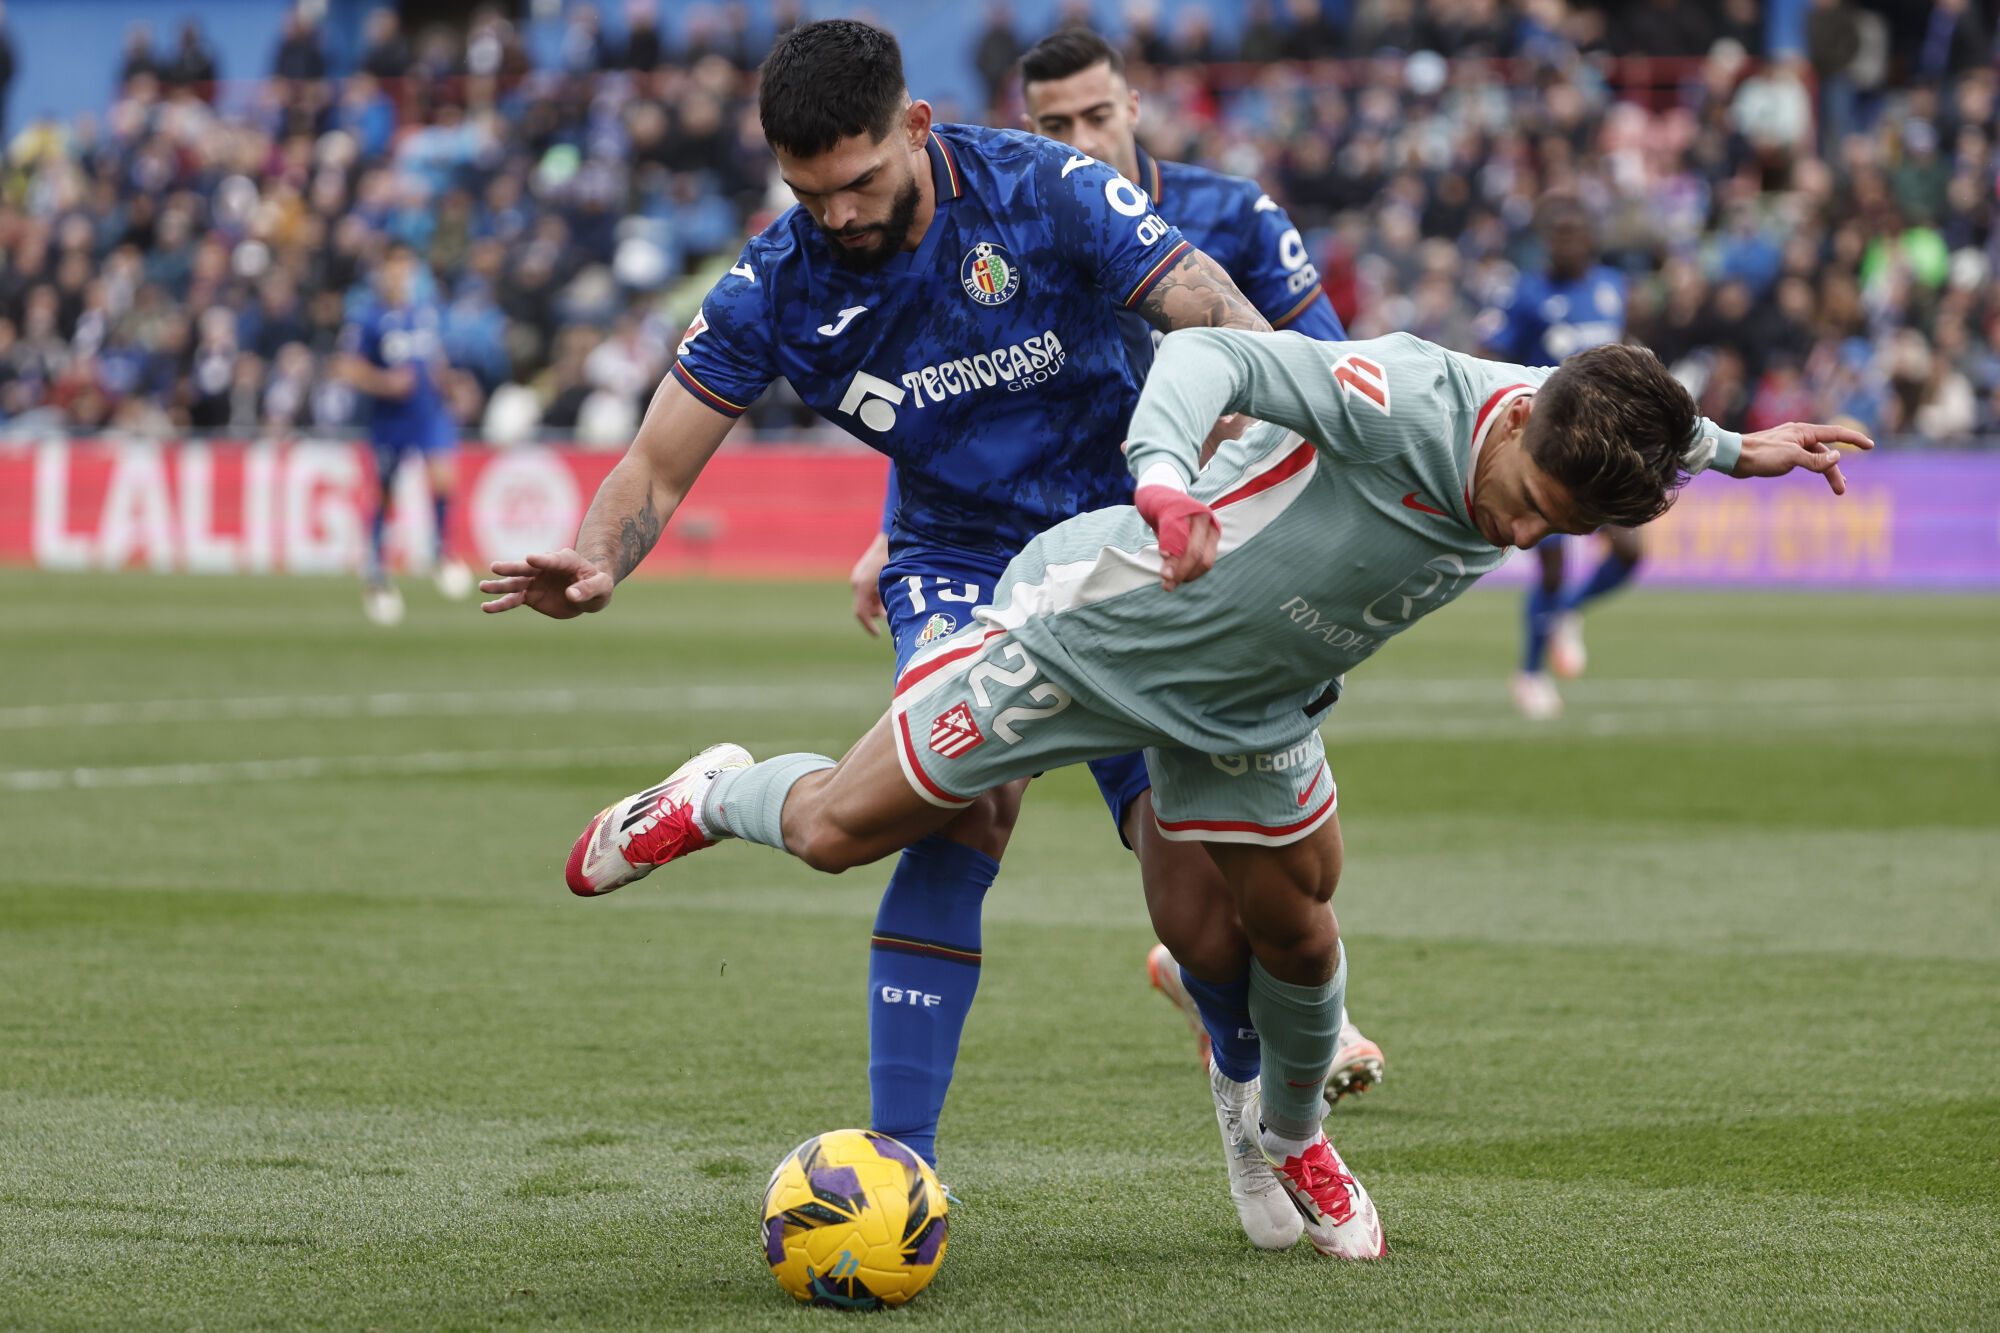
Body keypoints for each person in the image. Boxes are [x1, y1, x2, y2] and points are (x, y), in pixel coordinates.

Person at [488, 326, 1868, 1258]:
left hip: (1248, 708)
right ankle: (718, 789)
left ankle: (1294, 1137)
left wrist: (1753, 450)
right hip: (1091, 629)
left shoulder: (1588, 429)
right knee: (834, 831)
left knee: (1293, 935)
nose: (1519, 529)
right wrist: (1160, 484)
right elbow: (1207, 352)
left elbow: (1666, 436)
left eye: (1554, 528)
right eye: (1524, 497)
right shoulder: (1404, 393)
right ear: (1520, 424)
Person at [477, 16, 1316, 1252]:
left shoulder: (1041, 187)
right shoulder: (776, 284)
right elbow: (656, 463)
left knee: (1200, 905)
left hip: (1122, 544)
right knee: (955, 799)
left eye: (860, 181)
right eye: (808, 191)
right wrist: (598, 558)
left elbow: (1216, 309)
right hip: (961, 563)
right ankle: (895, 1174)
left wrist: (1266, 460)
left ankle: (1246, 1099)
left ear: (915, 128)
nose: (839, 213)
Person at [842, 23, 1382, 1124]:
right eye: (1052, 125)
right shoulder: (1011, 205)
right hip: (1015, 548)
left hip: (1178, 555)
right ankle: (903, 1136)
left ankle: (1245, 1016)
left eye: (1096, 116)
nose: (1078, 138)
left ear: (1133, 106)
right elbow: (953, 380)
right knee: (964, 798)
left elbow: (1324, 375)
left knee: (1218, 843)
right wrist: (896, 527)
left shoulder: (1227, 215)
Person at [1479, 193, 1632, 720]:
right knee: (1550, 564)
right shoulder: (1525, 294)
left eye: (1576, 233)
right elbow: (1492, 357)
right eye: (1558, 234)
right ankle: (1530, 673)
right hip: (1547, 444)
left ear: (1591, 236)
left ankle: (1565, 615)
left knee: (1630, 552)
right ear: (1546, 240)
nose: (1567, 243)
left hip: (1608, 443)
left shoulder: (1613, 287)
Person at [334, 244, 471, 625]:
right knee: (385, 492)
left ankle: (441, 552)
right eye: (393, 267)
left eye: (405, 267)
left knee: (444, 477)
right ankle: (376, 572)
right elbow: (348, 367)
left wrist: (449, 383)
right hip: (389, 418)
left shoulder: (424, 314)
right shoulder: (368, 318)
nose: (400, 274)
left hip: (428, 413)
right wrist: (383, 381)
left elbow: (434, 358)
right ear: (382, 272)